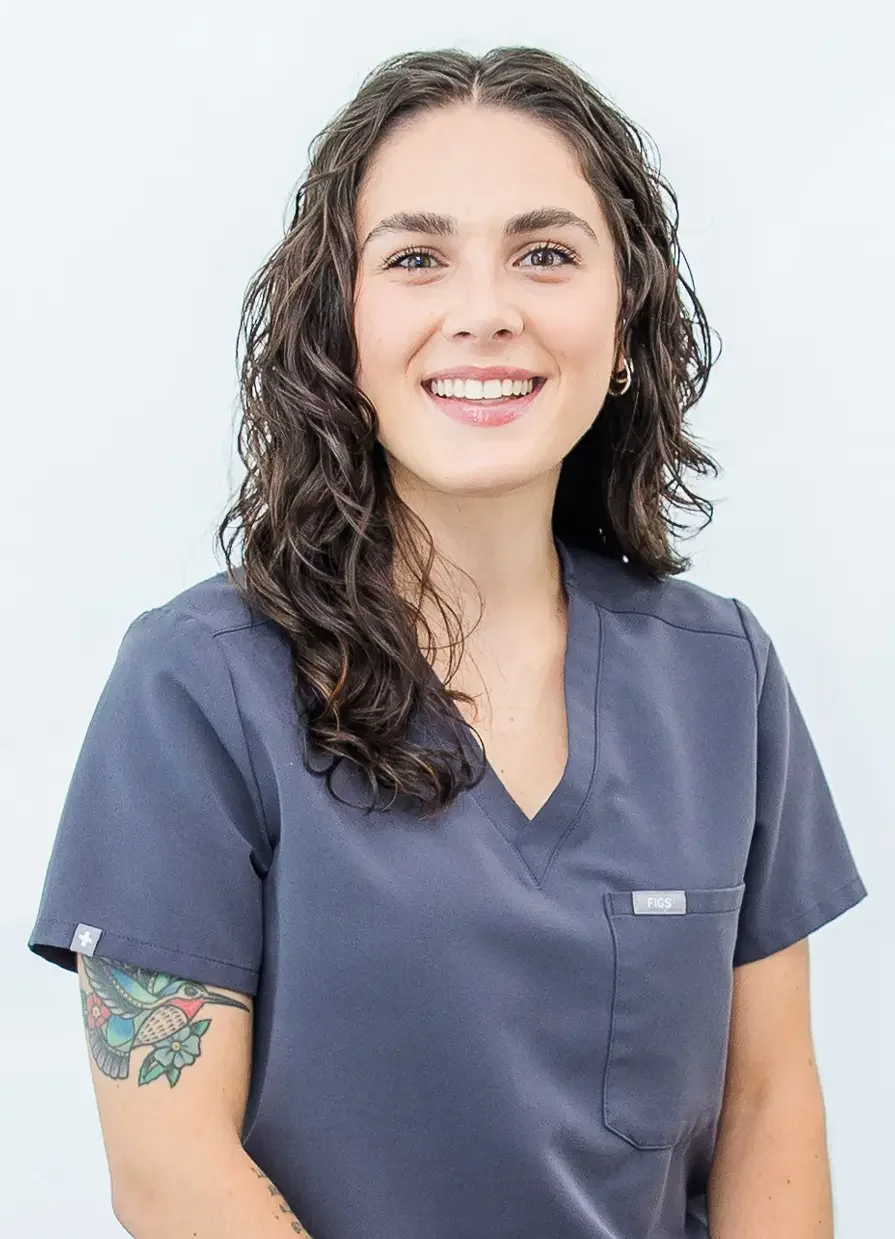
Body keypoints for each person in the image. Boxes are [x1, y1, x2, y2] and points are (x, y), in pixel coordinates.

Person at [27, 45, 867, 1239]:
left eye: (546, 254)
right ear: (343, 328)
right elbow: (170, 1171)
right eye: (417, 258)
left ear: (623, 326)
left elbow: (768, 1106)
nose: (486, 311)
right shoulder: (198, 684)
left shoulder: (720, 676)